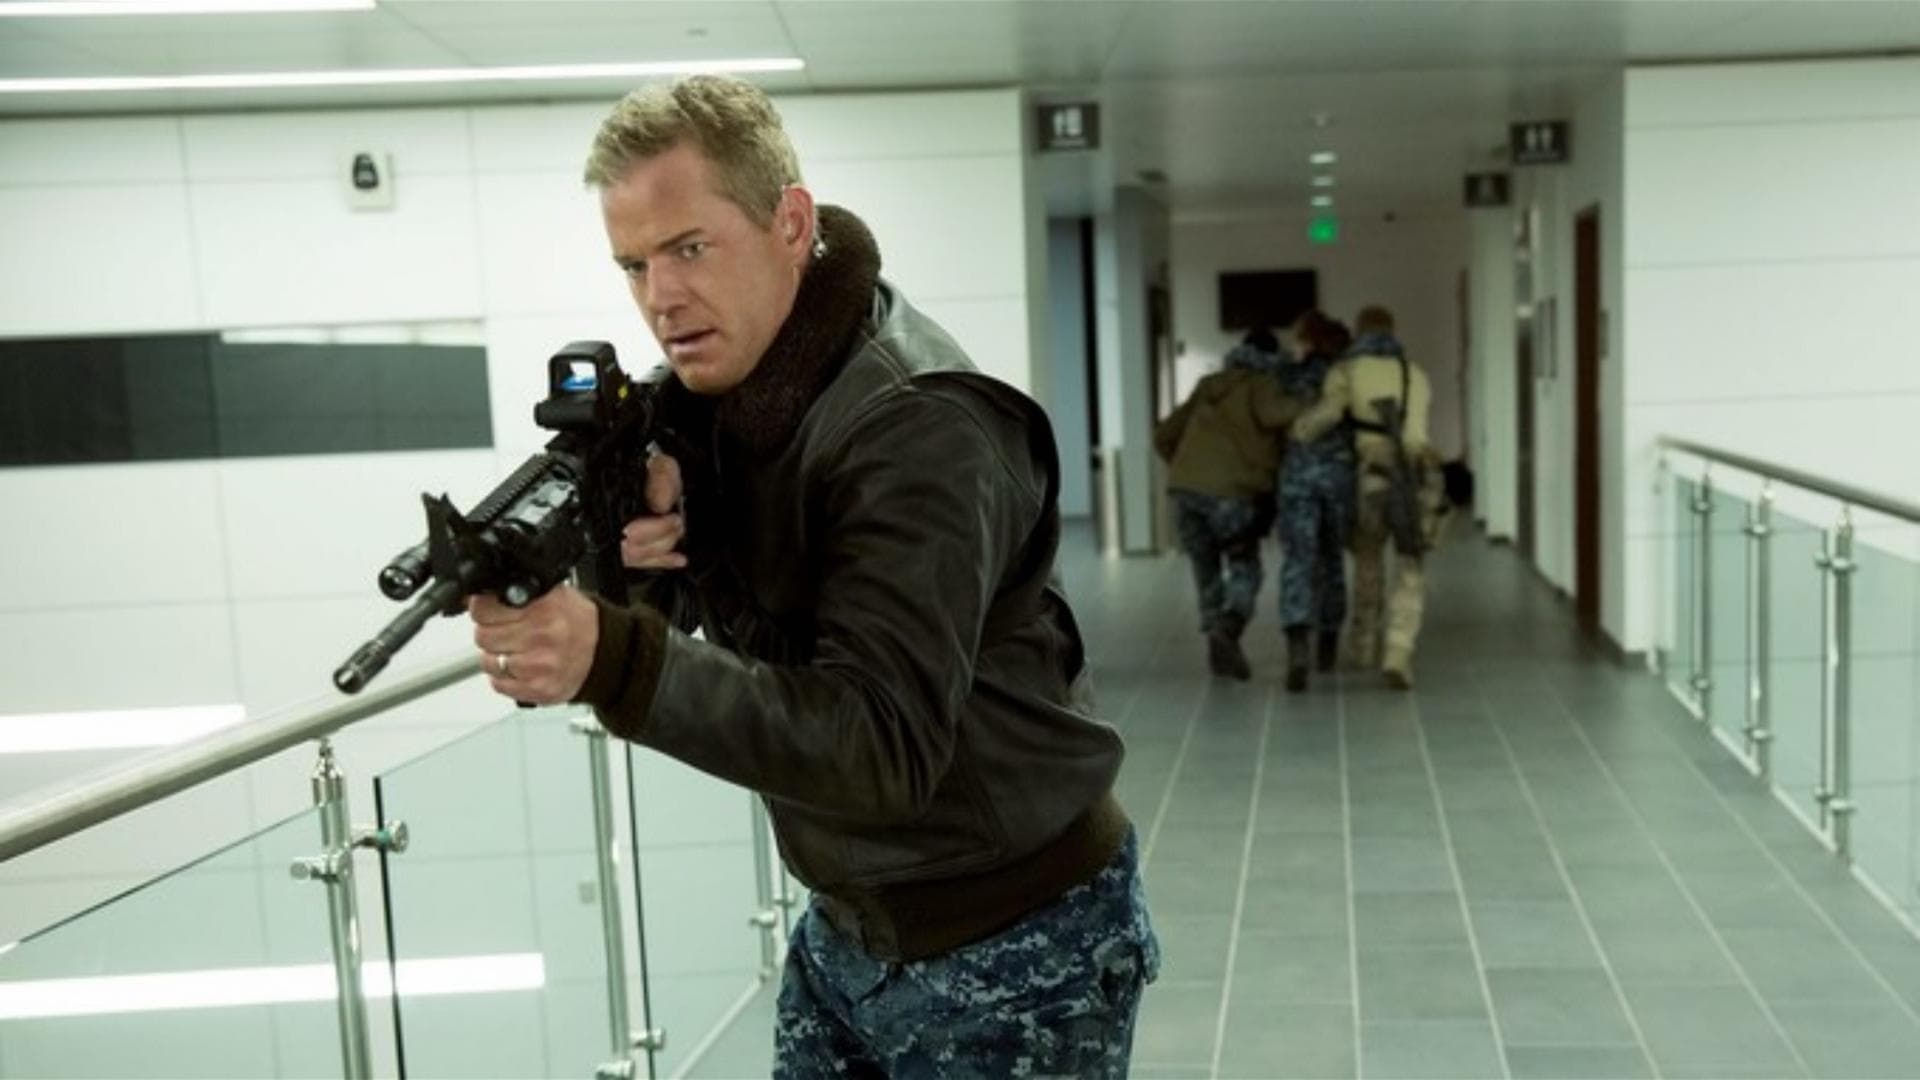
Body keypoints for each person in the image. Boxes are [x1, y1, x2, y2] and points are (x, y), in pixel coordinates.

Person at [462, 75, 1156, 1077]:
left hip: (1016, 939)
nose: (661, 298)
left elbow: (880, 746)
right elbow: (732, 624)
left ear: (790, 223)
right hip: (851, 924)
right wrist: (646, 555)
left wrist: (615, 657)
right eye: (634, 265)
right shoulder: (732, 401)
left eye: (690, 248)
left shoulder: (920, 428)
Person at [1293, 305, 1445, 689]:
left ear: (1359, 333)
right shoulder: (1416, 373)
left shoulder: (1347, 371)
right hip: (1418, 476)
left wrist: (1298, 432)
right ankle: (1398, 650)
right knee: (1411, 566)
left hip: (1373, 476)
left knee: (1367, 559)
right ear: (1393, 331)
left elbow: (1326, 417)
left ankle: (1363, 645)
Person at [1152, 328, 1307, 680]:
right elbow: (1275, 416)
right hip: (1232, 494)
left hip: (1186, 490)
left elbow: (1164, 434)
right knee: (1244, 566)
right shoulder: (1264, 384)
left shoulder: (1211, 385)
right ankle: (1228, 627)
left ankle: (1216, 643)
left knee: (1205, 568)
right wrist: (1307, 400)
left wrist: (1186, 467)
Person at [1272, 310, 1356, 693]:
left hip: (1297, 479)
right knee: (1331, 560)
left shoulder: (1288, 377)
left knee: (1297, 560)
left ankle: (1297, 649)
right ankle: (1327, 644)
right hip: (1338, 477)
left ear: (1308, 341)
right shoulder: (1348, 376)